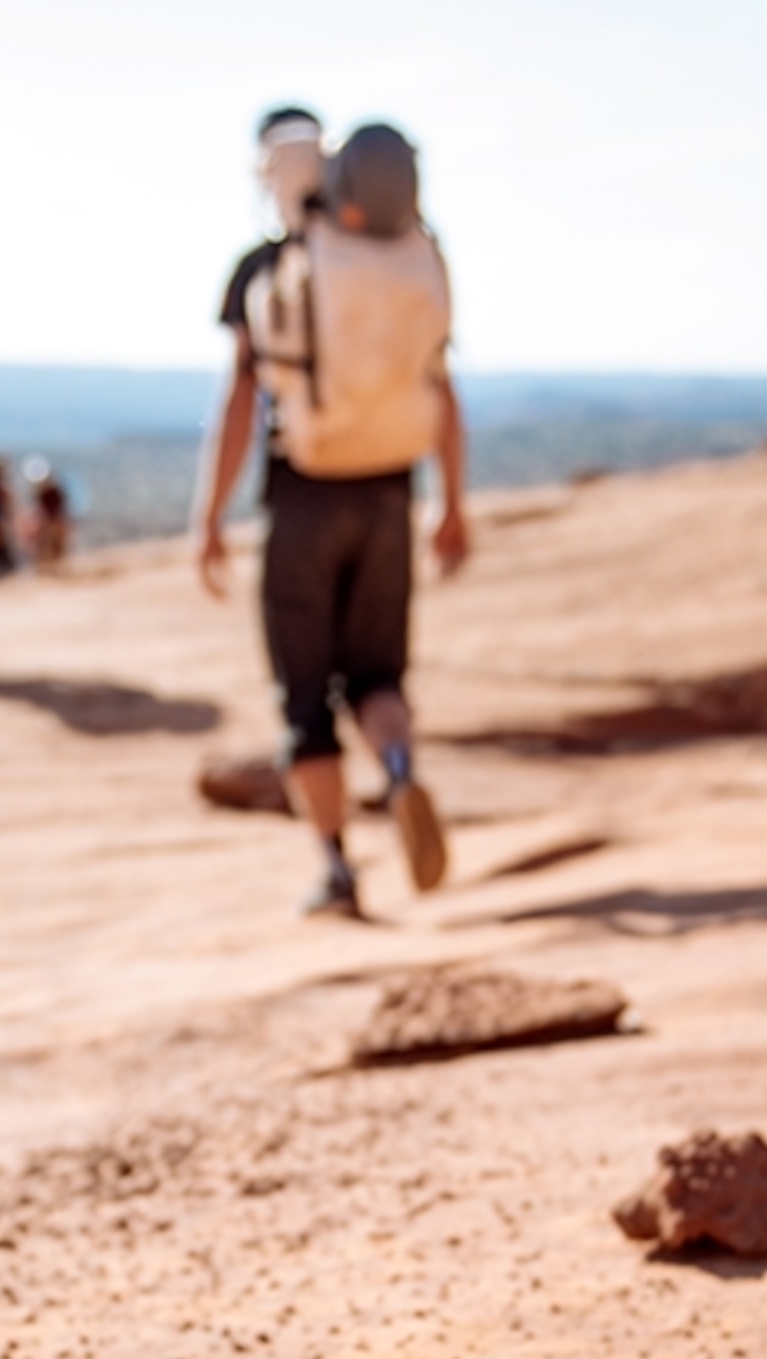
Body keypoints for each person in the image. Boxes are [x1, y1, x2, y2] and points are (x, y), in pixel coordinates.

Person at [194, 112, 467, 917]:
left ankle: (338, 870)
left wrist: (210, 517)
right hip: (389, 492)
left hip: (303, 494)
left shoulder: (270, 265)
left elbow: (241, 398)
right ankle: (399, 770)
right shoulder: (408, 257)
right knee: (379, 677)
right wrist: (452, 504)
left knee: (306, 703)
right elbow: (441, 391)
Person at [24, 458, 72, 573]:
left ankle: (53, 570)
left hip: (52, 522)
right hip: (50, 522)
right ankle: (49, 570)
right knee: (47, 547)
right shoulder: (50, 491)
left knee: (52, 547)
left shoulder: (52, 492)